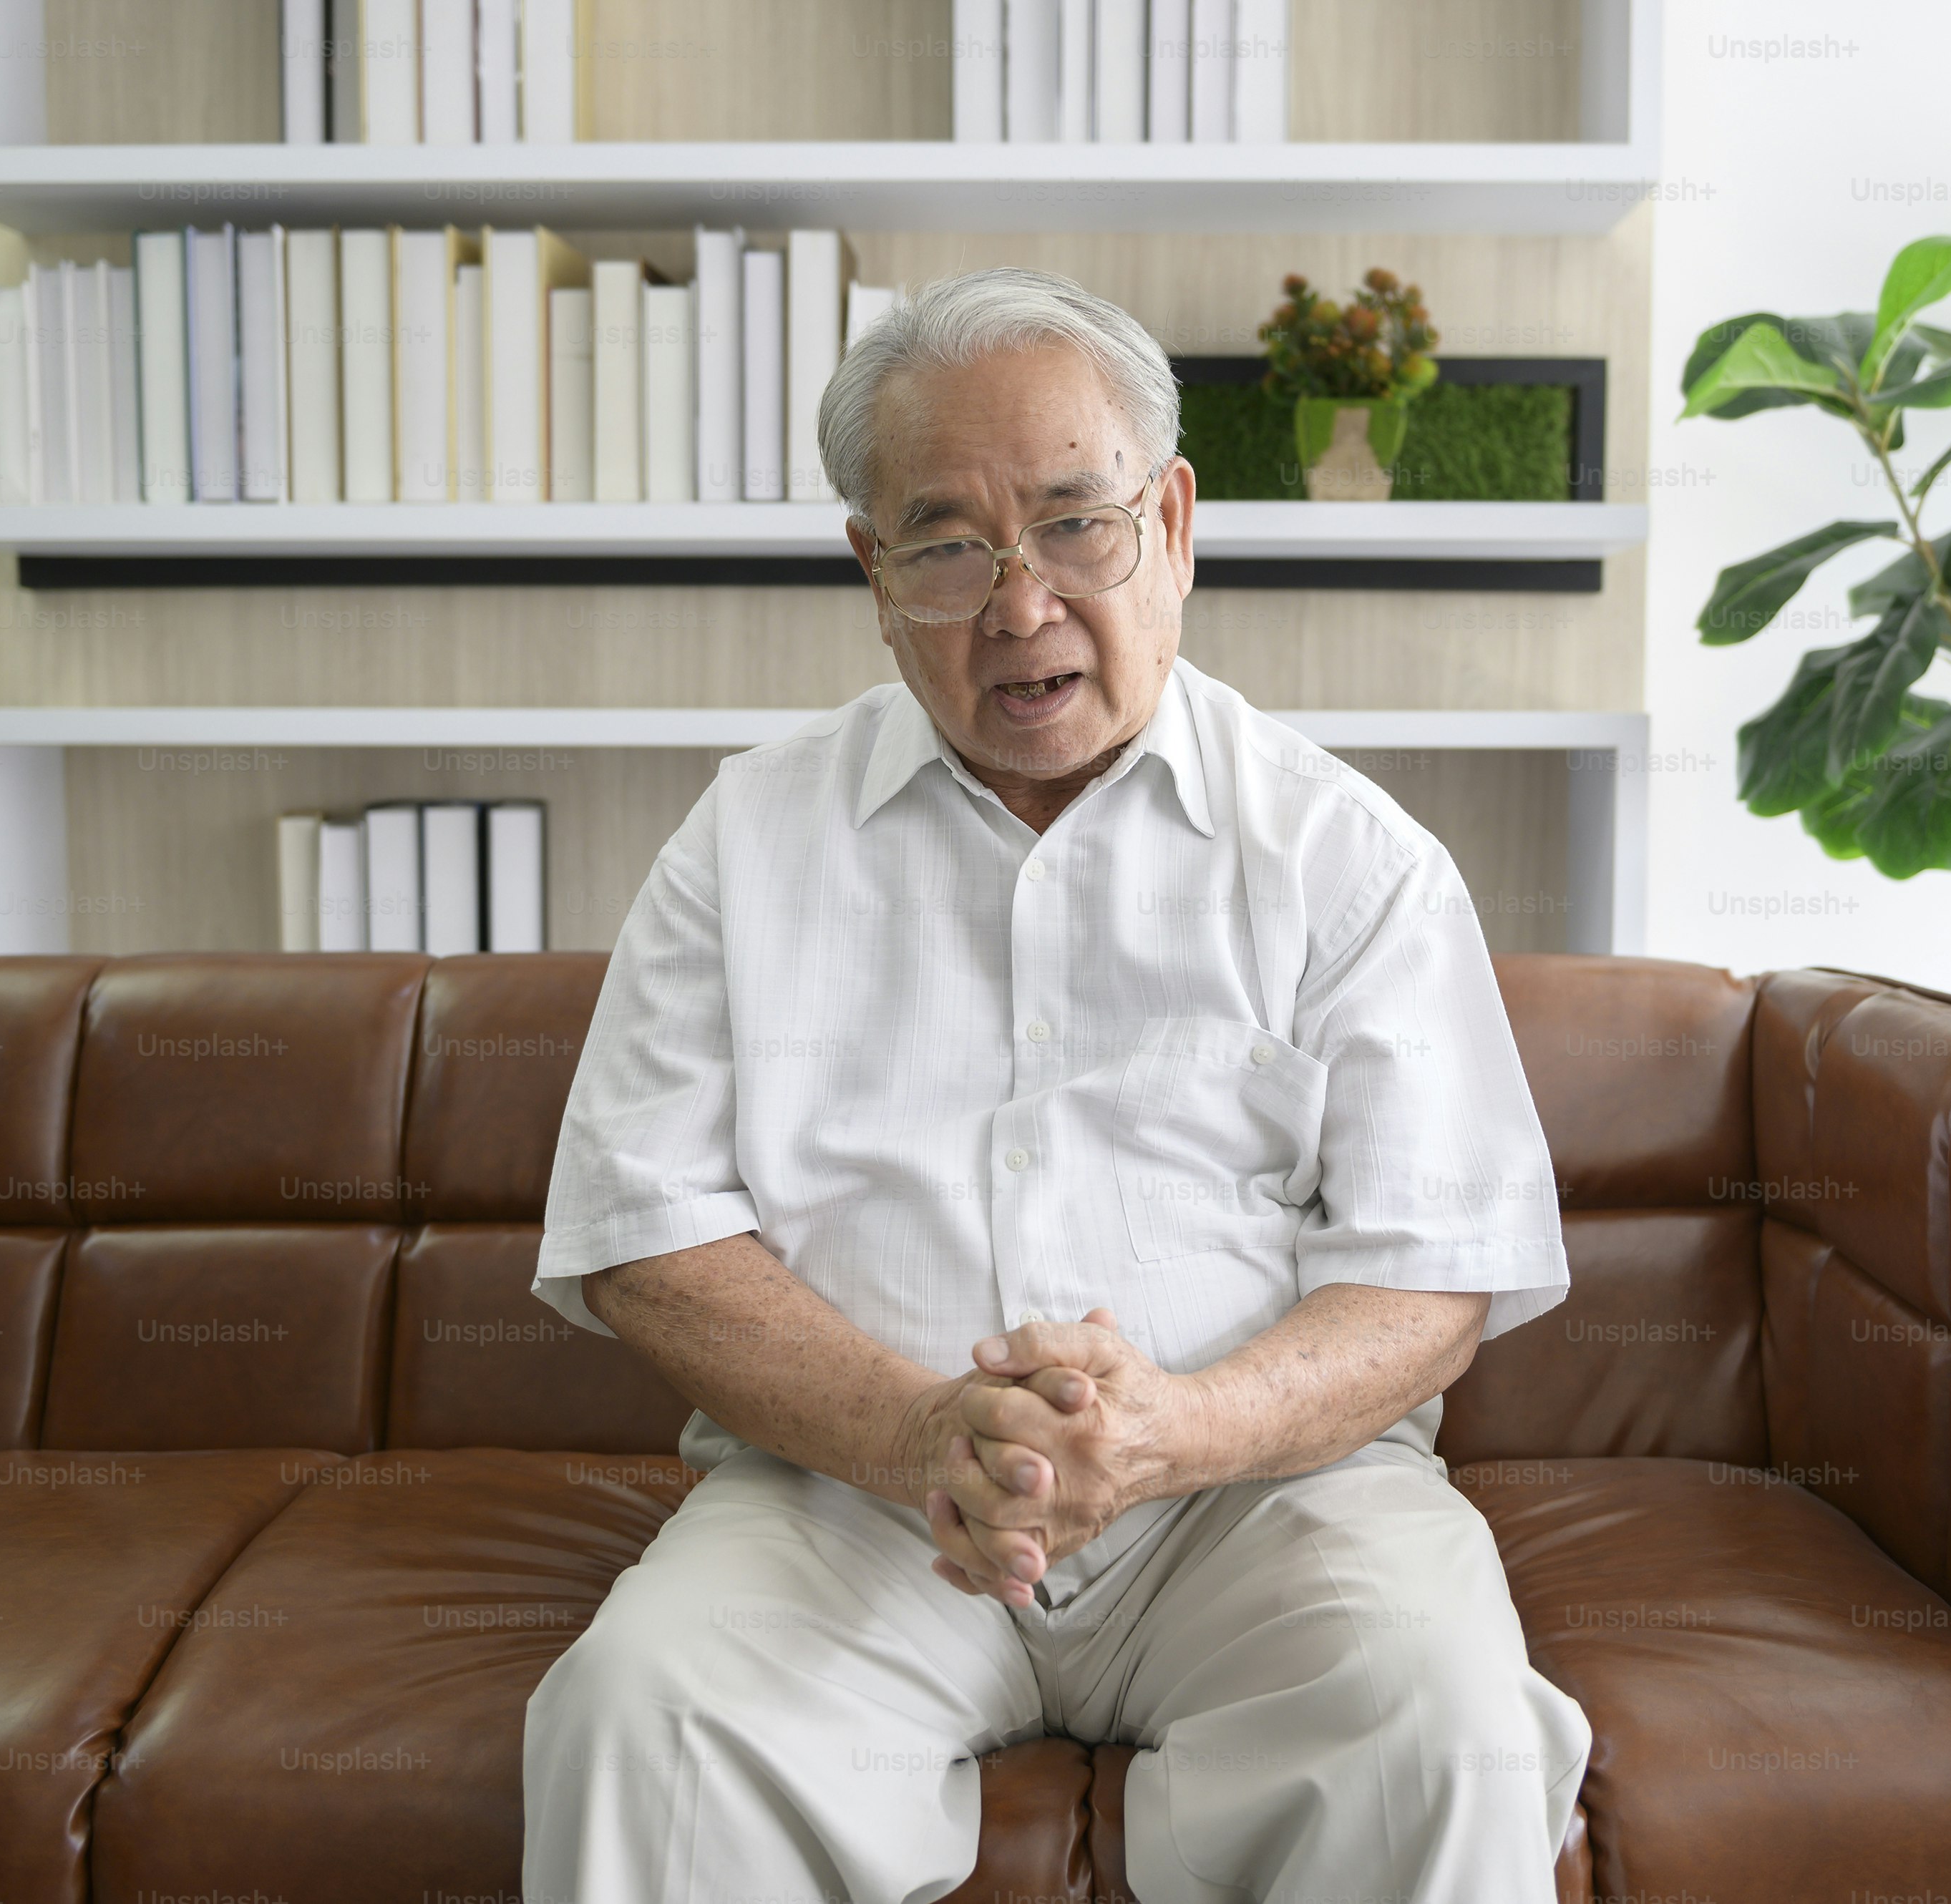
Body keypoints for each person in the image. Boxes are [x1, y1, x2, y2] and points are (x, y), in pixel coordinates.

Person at [521, 265, 1590, 1902]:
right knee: (641, 1716)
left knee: (1444, 1731)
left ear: (1169, 519)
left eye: (1075, 524)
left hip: (1264, 1505)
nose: (1018, 606)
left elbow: (1430, 1273)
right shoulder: (743, 844)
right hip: (858, 1504)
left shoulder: (1345, 853)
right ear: (871, 573)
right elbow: (645, 1239)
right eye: (948, 543)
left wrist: (1176, 1428)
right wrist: (918, 1428)